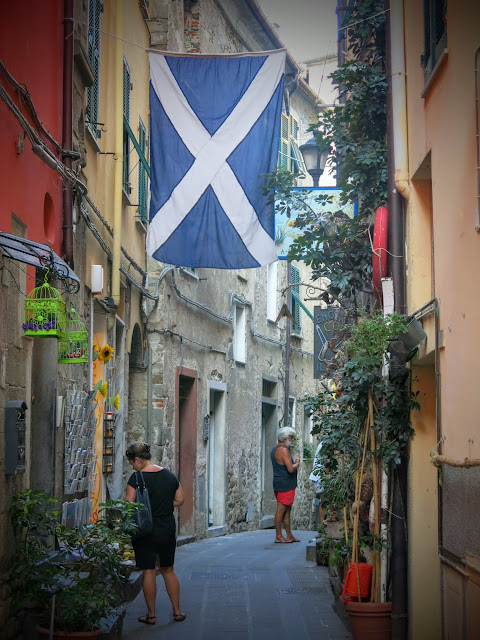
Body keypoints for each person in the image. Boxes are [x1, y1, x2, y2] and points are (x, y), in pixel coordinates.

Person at [125, 442, 186, 625]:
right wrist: (164, 506)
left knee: (149, 571)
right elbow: (180, 500)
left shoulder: (136, 479)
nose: (131, 466)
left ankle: (151, 616)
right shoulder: (169, 476)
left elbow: (129, 506)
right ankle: (177, 612)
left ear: (137, 459)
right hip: (166, 527)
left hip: (145, 529)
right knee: (168, 570)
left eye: (131, 462)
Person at [271, 426, 300, 543]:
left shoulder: (274, 449)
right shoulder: (283, 450)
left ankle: (289, 535)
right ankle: (278, 536)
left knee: (287, 509)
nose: (292, 440)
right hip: (285, 484)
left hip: (279, 482)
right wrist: (297, 464)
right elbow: (290, 469)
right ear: (285, 438)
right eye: (291, 437)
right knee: (281, 509)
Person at [309, 441, 325, 527]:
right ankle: (321, 526)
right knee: (324, 501)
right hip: (319, 476)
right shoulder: (325, 445)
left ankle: (321, 525)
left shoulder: (323, 443)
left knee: (324, 501)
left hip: (317, 475)